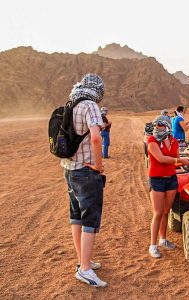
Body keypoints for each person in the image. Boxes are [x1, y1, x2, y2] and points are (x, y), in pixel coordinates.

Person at [61, 73, 107, 287]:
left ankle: (83, 261)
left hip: (69, 169)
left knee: (76, 215)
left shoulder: (71, 102)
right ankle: (86, 270)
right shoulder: (90, 105)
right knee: (90, 219)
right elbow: (96, 137)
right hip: (86, 171)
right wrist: (98, 165)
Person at [147, 120, 189, 258]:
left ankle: (163, 239)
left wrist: (184, 161)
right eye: (156, 126)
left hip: (171, 179)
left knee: (166, 211)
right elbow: (161, 159)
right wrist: (181, 160)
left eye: (161, 126)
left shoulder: (174, 141)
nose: (158, 128)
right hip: (156, 179)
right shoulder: (151, 140)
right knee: (158, 213)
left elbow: (175, 159)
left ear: (167, 127)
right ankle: (153, 245)